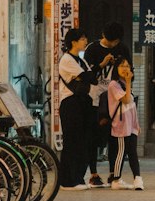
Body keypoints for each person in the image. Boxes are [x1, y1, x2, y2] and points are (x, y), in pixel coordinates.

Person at [85, 21, 131, 185]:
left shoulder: (122, 49)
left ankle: (113, 172)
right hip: (95, 99)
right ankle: (94, 174)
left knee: (114, 137)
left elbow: (128, 70)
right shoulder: (92, 49)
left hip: (115, 100)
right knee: (93, 137)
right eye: (115, 41)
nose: (117, 44)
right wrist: (102, 64)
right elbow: (87, 73)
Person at [57, 28, 99, 189]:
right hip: (70, 103)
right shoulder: (67, 59)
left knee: (81, 141)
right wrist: (86, 75)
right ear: (73, 42)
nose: (85, 41)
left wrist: (86, 75)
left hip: (81, 103)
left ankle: (77, 178)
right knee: (72, 141)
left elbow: (92, 78)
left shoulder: (81, 60)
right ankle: (67, 181)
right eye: (82, 38)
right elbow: (89, 76)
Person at [106, 56, 143, 190]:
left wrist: (137, 124)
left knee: (132, 151)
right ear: (116, 68)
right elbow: (126, 100)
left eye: (127, 66)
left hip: (131, 125)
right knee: (121, 152)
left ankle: (137, 178)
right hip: (121, 125)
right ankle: (116, 179)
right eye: (122, 66)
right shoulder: (113, 85)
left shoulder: (125, 84)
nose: (125, 68)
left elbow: (132, 107)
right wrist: (128, 82)